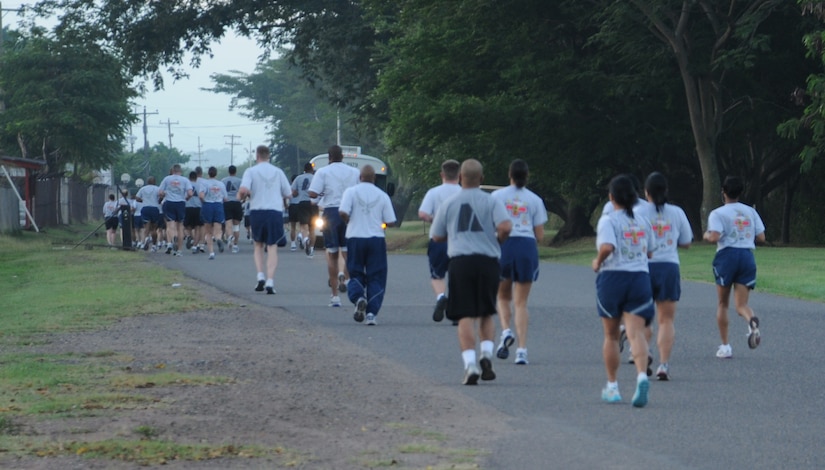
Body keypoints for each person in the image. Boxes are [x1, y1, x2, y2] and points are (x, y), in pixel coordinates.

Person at [430, 159, 512, 385]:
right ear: (482, 179)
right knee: (486, 311)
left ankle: (470, 364)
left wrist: (452, 234)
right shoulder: (491, 201)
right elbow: (505, 226)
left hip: (461, 261)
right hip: (488, 260)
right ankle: (487, 354)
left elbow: (436, 235)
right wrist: (498, 240)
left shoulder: (450, 202)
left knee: (465, 314)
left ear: (460, 178)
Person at [592, 174, 655, 407]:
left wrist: (598, 261)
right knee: (636, 332)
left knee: (610, 335)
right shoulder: (642, 221)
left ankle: (612, 386)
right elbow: (650, 252)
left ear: (611, 197)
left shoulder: (608, 220)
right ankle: (640, 376)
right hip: (639, 278)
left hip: (613, 278)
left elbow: (608, 246)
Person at [703, 175, 766, 359]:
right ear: (740, 192)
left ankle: (725, 346)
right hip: (746, 256)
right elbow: (761, 237)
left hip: (727, 256)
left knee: (723, 303)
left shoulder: (718, 213)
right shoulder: (750, 212)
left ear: (723, 192)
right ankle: (751, 321)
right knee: (742, 305)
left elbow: (714, 237)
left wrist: (706, 235)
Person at [491, 159, 548, 365]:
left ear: (509, 174)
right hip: (526, 246)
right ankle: (522, 350)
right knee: (521, 302)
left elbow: (492, 225)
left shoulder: (497, 196)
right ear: (527, 175)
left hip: (504, 245)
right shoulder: (535, 199)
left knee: (502, 295)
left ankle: (506, 331)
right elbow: (540, 235)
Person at [640, 172, 693, 380]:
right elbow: (687, 241)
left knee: (643, 319)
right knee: (666, 320)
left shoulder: (637, 211)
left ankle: (645, 355)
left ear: (646, 192)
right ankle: (663, 364)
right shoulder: (677, 212)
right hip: (669, 266)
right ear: (666, 191)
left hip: (643, 267)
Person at [339, 165, 397, 325]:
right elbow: (391, 221)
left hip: (355, 237)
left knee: (355, 271)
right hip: (375, 238)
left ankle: (358, 297)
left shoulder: (350, 192)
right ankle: (372, 313)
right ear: (374, 178)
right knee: (376, 275)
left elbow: (343, 211)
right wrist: (381, 222)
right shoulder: (382, 195)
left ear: (360, 177)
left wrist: (348, 220)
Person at [308, 145, 360, 307]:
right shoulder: (354, 172)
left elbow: (312, 193)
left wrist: (322, 193)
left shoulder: (323, 172)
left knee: (332, 254)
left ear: (329, 157)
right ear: (342, 156)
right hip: (350, 213)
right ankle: (351, 285)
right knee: (348, 252)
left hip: (331, 212)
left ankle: (335, 295)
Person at [237, 145, 292, 294]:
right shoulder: (278, 172)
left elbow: (243, 190)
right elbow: (288, 193)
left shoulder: (251, 171)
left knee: (258, 245)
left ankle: (260, 275)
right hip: (274, 211)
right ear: (269, 156)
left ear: (257, 156)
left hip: (257, 211)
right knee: (272, 246)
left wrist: (242, 196)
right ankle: (270, 281)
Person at [417, 159, 461, 322]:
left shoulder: (434, 193)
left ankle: (441, 296)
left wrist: (432, 219)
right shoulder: (464, 192)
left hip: (438, 239)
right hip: (460, 241)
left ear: (442, 174)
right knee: (458, 276)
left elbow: (422, 213)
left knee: (437, 275)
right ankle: (456, 311)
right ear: (459, 175)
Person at [158, 164, 194, 256]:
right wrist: (186, 198)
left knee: (170, 225)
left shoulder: (167, 179)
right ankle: (179, 250)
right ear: (180, 171)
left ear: (172, 171)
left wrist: (163, 196)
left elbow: (160, 192)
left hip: (169, 202)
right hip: (180, 203)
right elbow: (190, 193)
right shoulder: (185, 180)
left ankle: (173, 238)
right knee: (180, 227)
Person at [200, 166, 228, 260]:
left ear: (208, 173)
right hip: (218, 205)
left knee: (208, 231)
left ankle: (211, 252)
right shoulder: (221, 184)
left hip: (208, 205)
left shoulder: (204, 183)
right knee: (218, 229)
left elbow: (201, 195)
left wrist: (204, 201)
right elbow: (225, 198)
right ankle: (218, 239)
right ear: (216, 174)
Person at [292, 162, 318, 258]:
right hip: (313, 203)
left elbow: (293, 192)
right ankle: (311, 249)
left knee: (303, 226)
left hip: (302, 203)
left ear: (304, 169)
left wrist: (298, 194)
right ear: (311, 169)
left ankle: (305, 239)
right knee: (312, 228)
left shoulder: (298, 178)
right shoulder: (315, 178)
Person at [136, 176, 162, 252]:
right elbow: (161, 196)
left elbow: (137, 198)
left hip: (145, 208)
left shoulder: (143, 189)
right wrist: (159, 201)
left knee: (146, 227)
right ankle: (154, 245)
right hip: (154, 208)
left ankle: (146, 238)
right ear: (154, 182)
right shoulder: (157, 189)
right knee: (154, 228)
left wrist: (142, 200)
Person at [222, 165, 244, 253]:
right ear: (235, 171)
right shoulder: (240, 181)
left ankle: (229, 236)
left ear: (228, 171)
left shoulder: (223, 181)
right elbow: (244, 192)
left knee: (228, 223)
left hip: (227, 203)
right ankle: (235, 245)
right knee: (236, 226)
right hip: (236, 202)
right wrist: (242, 199)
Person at [184, 171, 206, 254]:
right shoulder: (200, 185)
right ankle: (195, 246)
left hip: (188, 207)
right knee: (198, 228)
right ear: (196, 178)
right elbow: (202, 196)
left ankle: (189, 236)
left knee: (186, 226)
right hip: (198, 207)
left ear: (189, 178)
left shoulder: (187, 185)